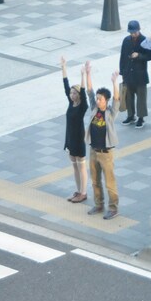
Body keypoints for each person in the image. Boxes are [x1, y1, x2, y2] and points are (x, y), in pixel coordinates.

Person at [86, 66, 121, 219]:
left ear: (106, 101)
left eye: (101, 99)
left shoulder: (110, 113)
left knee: (109, 182)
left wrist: (115, 82)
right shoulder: (94, 109)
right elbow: (89, 92)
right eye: (98, 98)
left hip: (106, 153)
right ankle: (98, 204)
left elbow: (117, 100)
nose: (98, 100)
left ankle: (113, 208)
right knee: (95, 181)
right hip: (93, 150)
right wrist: (87, 74)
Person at [61, 57, 88, 202]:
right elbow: (65, 85)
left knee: (81, 166)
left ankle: (83, 192)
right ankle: (78, 191)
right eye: (71, 94)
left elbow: (83, 92)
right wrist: (63, 67)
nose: (72, 95)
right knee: (74, 167)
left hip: (79, 139)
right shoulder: (71, 104)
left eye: (74, 93)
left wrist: (83, 75)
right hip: (70, 139)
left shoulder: (82, 106)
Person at [119, 20, 151, 128]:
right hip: (128, 73)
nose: (133, 34)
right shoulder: (126, 40)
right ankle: (130, 115)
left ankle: (141, 118)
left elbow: (149, 56)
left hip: (140, 74)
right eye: (131, 32)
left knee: (141, 97)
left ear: (139, 30)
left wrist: (138, 55)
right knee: (129, 97)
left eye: (135, 32)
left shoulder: (144, 40)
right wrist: (122, 72)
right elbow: (122, 57)